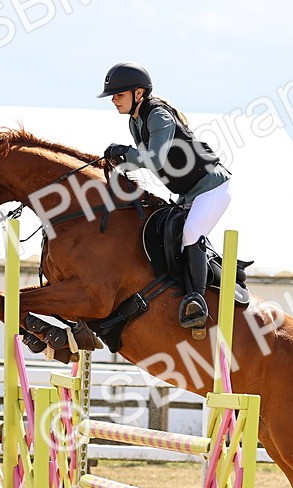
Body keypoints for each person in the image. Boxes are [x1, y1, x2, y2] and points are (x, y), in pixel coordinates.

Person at [99, 62, 232, 331]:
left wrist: (124, 152)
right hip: (188, 192)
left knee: (192, 232)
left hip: (212, 187)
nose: (114, 100)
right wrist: (121, 160)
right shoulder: (135, 120)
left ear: (139, 93)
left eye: (119, 95)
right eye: (112, 96)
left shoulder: (158, 114)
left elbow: (155, 159)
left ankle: (197, 300)